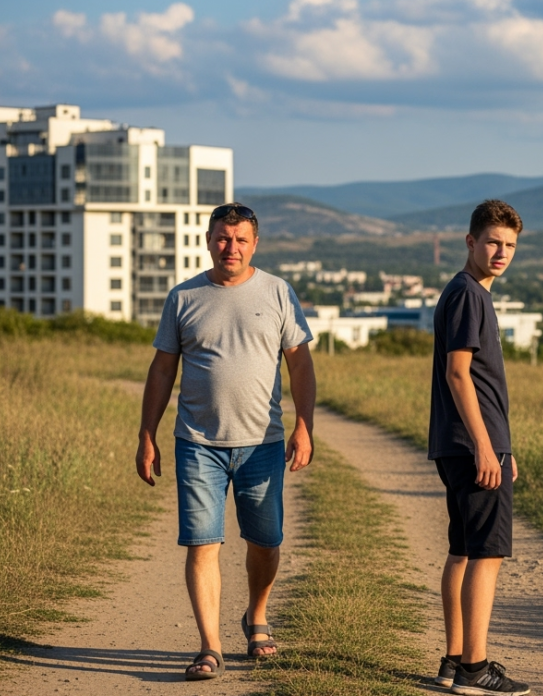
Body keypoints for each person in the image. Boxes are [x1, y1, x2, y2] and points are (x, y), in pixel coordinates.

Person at [135, 203, 316, 681]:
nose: (230, 247)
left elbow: (300, 363)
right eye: (222, 238)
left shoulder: (278, 292)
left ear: (254, 244)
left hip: (262, 443)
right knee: (202, 543)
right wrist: (147, 434)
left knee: (265, 542)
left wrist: (304, 426)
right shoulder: (183, 297)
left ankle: (257, 614)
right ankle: (209, 646)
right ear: (208, 241)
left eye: (239, 240)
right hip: (197, 443)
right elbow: (162, 370)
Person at [428, 200, 531, 695]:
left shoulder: (463, 291)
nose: (501, 252)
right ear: (471, 242)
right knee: (485, 555)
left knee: (463, 551)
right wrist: (486, 448)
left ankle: (454, 660)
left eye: (510, 245)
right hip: (473, 447)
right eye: (492, 242)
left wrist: (500, 446)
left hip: (464, 445)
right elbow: (458, 373)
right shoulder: (470, 295)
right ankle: (475, 668)